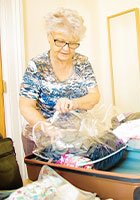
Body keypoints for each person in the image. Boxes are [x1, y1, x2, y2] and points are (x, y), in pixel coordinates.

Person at [19, 7, 100, 155]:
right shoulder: (37, 65)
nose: (66, 49)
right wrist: (48, 128)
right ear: (49, 36)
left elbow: (94, 96)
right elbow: (26, 106)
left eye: (73, 43)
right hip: (40, 138)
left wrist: (74, 103)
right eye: (60, 41)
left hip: (76, 136)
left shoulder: (82, 62)